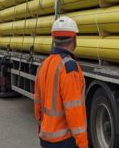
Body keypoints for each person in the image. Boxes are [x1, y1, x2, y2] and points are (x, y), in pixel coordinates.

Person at [34, 16, 88, 148]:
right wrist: (82, 144)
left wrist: (42, 128)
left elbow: (37, 103)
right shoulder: (69, 68)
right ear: (74, 39)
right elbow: (74, 111)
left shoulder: (44, 65)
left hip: (46, 137)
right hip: (64, 141)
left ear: (54, 39)